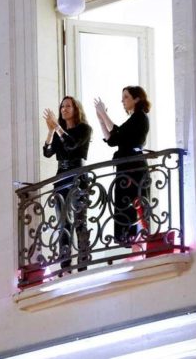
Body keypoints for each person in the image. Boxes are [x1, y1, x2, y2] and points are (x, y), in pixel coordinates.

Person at [94, 86, 151, 245]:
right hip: (125, 169)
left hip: (134, 169)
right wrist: (100, 119)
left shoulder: (140, 117)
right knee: (124, 206)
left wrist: (104, 114)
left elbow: (119, 134)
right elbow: (112, 140)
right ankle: (131, 242)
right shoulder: (132, 119)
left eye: (126, 97)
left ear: (137, 99)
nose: (122, 100)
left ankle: (138, 244)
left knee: (135, 205)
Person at [42, 96, 92, 272]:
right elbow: (47, 152)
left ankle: (83, 262)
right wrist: (50, 131)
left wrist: (57, 128)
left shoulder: (84, 129)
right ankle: (65, 264)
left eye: (68, 106)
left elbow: (71, 144)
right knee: (63, 222)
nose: (64, 109)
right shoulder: (58, 132)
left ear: (75, 109)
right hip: (61, 177)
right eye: (62, 106)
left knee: (80, 220)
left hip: (78, 176)